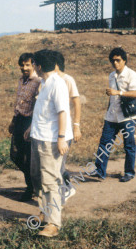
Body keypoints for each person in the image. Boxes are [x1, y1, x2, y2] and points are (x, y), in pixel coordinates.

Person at [24, 50, 72, 238]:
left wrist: (61, 137)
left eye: (34, 64)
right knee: (38, 178)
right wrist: (31, 129)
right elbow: (42, 111)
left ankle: (53, 223)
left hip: (51, 140)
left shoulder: (57, 84)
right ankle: (45, 212)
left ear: (40, 66)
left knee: (51, 180)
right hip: (38, 136)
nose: (33, 67)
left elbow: (62, 112)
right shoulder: (43, 83)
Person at [90, 48, 136, 182]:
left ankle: (129, 172)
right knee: (104, 143)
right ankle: (100, 171)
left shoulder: (132, 75)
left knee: (129, 145)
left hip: (127, 117)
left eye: (118, 60)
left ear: (124, 60)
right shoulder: (111, 76)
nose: (115, 63)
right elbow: (112, 97)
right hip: (112, 116)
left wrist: (118, 93)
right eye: (113, 61)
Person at [8, 53, 41, 202]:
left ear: (33, 65)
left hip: (31, 121)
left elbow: (38, 106)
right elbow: (19, 102)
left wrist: (32, 126)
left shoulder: (39, 82)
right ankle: (33, 182)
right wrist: (13, 120)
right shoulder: (21, 80)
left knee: (29, 158)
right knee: (15, 155)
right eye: (22, 65)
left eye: (27, 65)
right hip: (20, 120)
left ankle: (31, 188)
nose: (24, 68)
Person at [54, 51, 81, 200]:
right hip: (51, 130)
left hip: (66, 130)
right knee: (55, 165)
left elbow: (76, 103)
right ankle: (66, 188)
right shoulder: (47, 80)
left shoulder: (68, 80)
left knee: (59, 164)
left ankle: (64, 191)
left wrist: (76, 125)